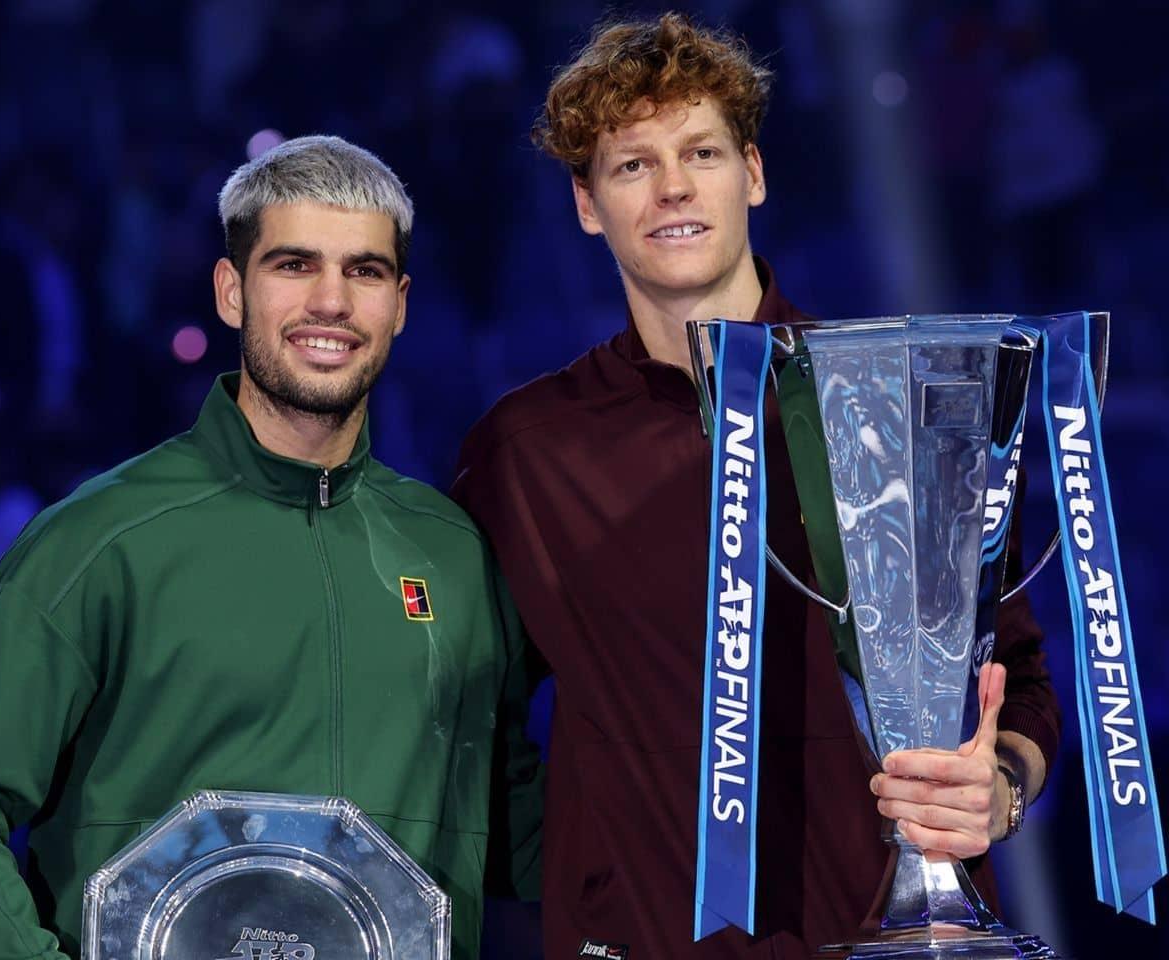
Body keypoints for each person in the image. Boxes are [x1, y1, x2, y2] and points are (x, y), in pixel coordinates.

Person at [452, 14, 1060, 958]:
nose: (673, 188)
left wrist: (1002, 789)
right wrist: (582, 867)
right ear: (586, 202)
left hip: (888, 940)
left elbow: (1015, 681)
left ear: (755, 174)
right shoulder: (528, 452)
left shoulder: (899, 400)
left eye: (701, 151)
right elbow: (466, 717)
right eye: (630, 165)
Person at [0, 135, 541, 960]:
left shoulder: (453, 554)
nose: (332, 302)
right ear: (232, 291)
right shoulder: (100, 541)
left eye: (364, 272)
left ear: (401, 303)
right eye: (295, 265)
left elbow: (520, 825)